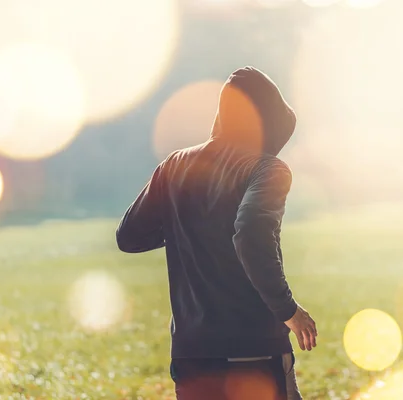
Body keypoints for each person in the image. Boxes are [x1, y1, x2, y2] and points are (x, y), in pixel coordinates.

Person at [116, 66, 317, 400]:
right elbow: (251, 234)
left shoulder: (174, 165)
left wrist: (190, 226)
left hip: (192, 355)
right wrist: (288, 311)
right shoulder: (267, 169)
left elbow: (129, 236)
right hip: (254, 349)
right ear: (269, 119)